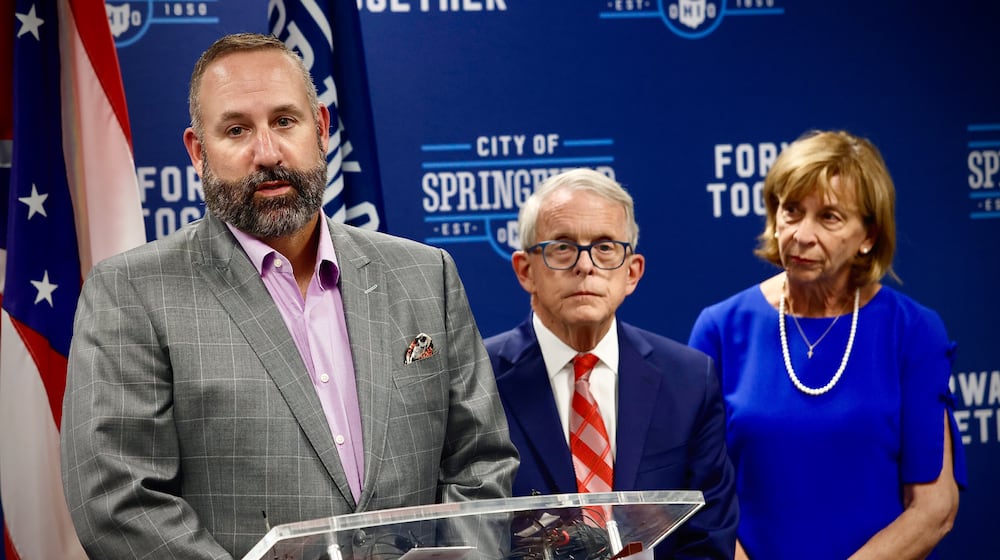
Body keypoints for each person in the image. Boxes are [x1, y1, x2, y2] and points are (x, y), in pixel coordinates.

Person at [60, 33, 518, 560]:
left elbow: (480, 463)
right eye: (236, 130)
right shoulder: (132, 292)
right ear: (197, 151)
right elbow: (119, 502)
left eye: (284, 121)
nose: (268, 153)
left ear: (320, 128)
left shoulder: (425, 273)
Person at [688, 130, 966, 560]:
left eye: (830, 217)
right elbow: (700, 499)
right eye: (791, 211)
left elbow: (934, 508)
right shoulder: (721, 328)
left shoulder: (912, 330)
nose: (801, 234)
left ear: (868, 235)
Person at [485, 168, 739, 559]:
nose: (585, 265)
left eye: (605, 247)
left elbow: (708, 540)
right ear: (525, 270)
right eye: (563, 247)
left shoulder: (689, 381)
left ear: (632, 272)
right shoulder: (478, 379)